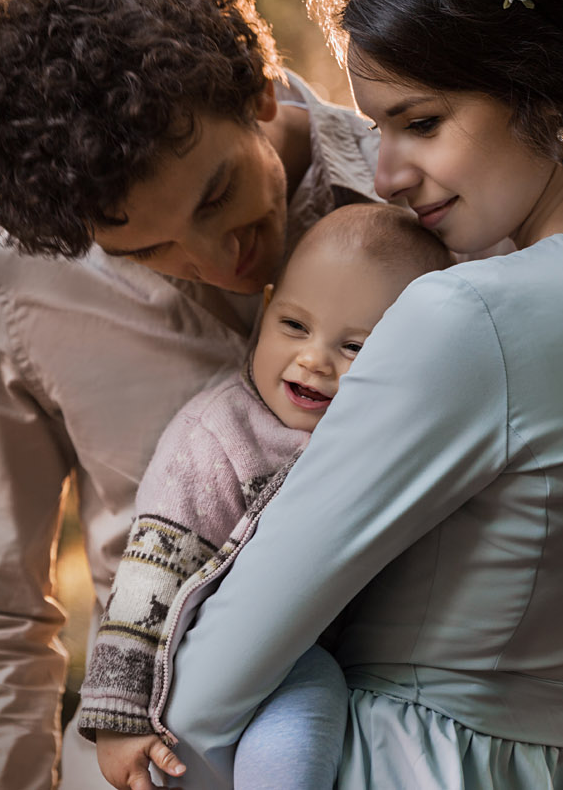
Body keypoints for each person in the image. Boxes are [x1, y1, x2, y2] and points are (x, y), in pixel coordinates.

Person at [0, 0, 563, 788]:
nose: (211, 260)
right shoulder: (26, 277)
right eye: (145, 252)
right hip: (155, 761)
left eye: (217, 194)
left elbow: (559, 501)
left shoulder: (436, 199)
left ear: (257, 95)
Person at [154, 0, 563, 788]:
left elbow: (234, 652)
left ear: (547, 92)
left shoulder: (468, 317)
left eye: (421, 122)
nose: (387, 172)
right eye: (378, 129)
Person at [77, 203, 453, 790]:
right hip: (224, 654)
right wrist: (117, 715)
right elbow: (148, 577)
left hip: (360, 663)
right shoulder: (218, 436)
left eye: (355, 347)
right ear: (267, 307)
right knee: (311, 695)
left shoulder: (393, 447)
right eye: (294, 326)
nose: (314, 358)